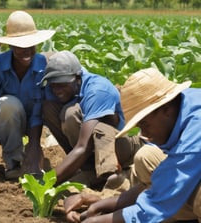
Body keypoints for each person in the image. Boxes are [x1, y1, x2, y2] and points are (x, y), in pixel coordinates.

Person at [63, 67, 201, 223]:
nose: (143, 133)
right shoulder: (183, 103)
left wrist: (98, 221)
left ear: (166, 109)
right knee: (146, 156)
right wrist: (105, 203)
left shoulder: (196, 131)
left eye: (144, 124)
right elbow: (162, 180)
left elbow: (158, 202)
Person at [39, 50, 143, 189]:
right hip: (87, 150)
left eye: (62, 85)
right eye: (53, 85)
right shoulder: (56, 88)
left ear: (77, 78)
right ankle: (86, 168)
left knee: (90, 123)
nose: (57, 90)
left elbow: (83, 146)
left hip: (119, 146)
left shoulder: (98, 90)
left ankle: (111, 173)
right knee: (51, 108)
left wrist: (47, 183)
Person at [0, 10, 55, 180]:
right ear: (10, 46)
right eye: (20, 46)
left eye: (30, 45)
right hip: (2, 124)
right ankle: (14, 163)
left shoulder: (43, 65)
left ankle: (39, 156)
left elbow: (39, 110)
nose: (26, 50)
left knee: (54, 104)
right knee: (9, 104)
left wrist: (34, 146)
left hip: (34, 122)